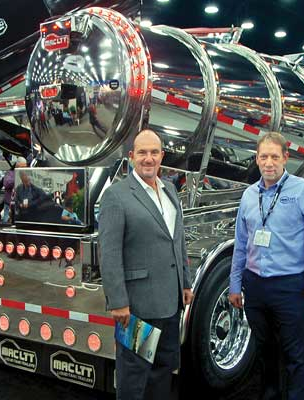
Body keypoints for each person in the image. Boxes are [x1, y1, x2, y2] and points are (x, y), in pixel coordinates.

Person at [228, 132, 304, 400]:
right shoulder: (249, 196)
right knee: (264, 354)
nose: (269, 163)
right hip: (256, 287)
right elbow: (241, 244)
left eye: (275, 156)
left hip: (291, 288)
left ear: (286, 158)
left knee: (296, 356)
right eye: (264, 157)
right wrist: (235, 284)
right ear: (257, 159)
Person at [98, 129, 193, 400]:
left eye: (154, 152)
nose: (148, 158)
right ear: (131, 157)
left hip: (170, 304)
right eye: (142, 152)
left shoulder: (170, 190)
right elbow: (110, 252)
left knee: (163, 371)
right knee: (135, 376)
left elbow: (178, 241)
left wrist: (185, 283)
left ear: (162, 156)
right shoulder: (117, 196)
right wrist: (118, 301)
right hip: (137, 308)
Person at [2, 157, 28, 224]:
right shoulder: (10, 173)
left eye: (25, 167)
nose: (24, 169)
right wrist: (17, 176)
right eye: (22, 167)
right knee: (6, 223)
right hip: (9, 205)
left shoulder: (27, 175)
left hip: (21, 206)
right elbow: (6, 184)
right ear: (17, 166)